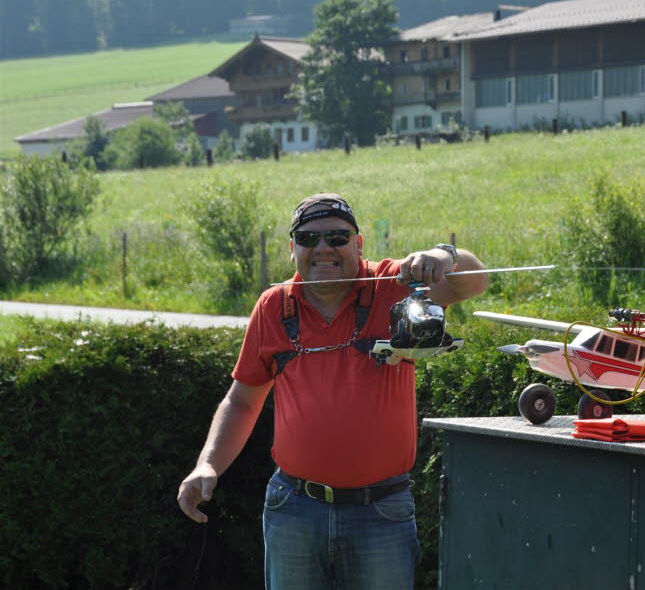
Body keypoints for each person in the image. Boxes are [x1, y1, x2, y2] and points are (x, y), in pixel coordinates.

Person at [177, 193, 488, 589]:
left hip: (381, 512)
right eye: (308, 239)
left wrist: (444, 256)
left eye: (337, 238)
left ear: (358, 245)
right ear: (292, 250)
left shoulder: (394, 284)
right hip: (293, 508)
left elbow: (475, 282)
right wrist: (208, 465)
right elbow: (241, 401)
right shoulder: (273, 306)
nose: (323, 249)